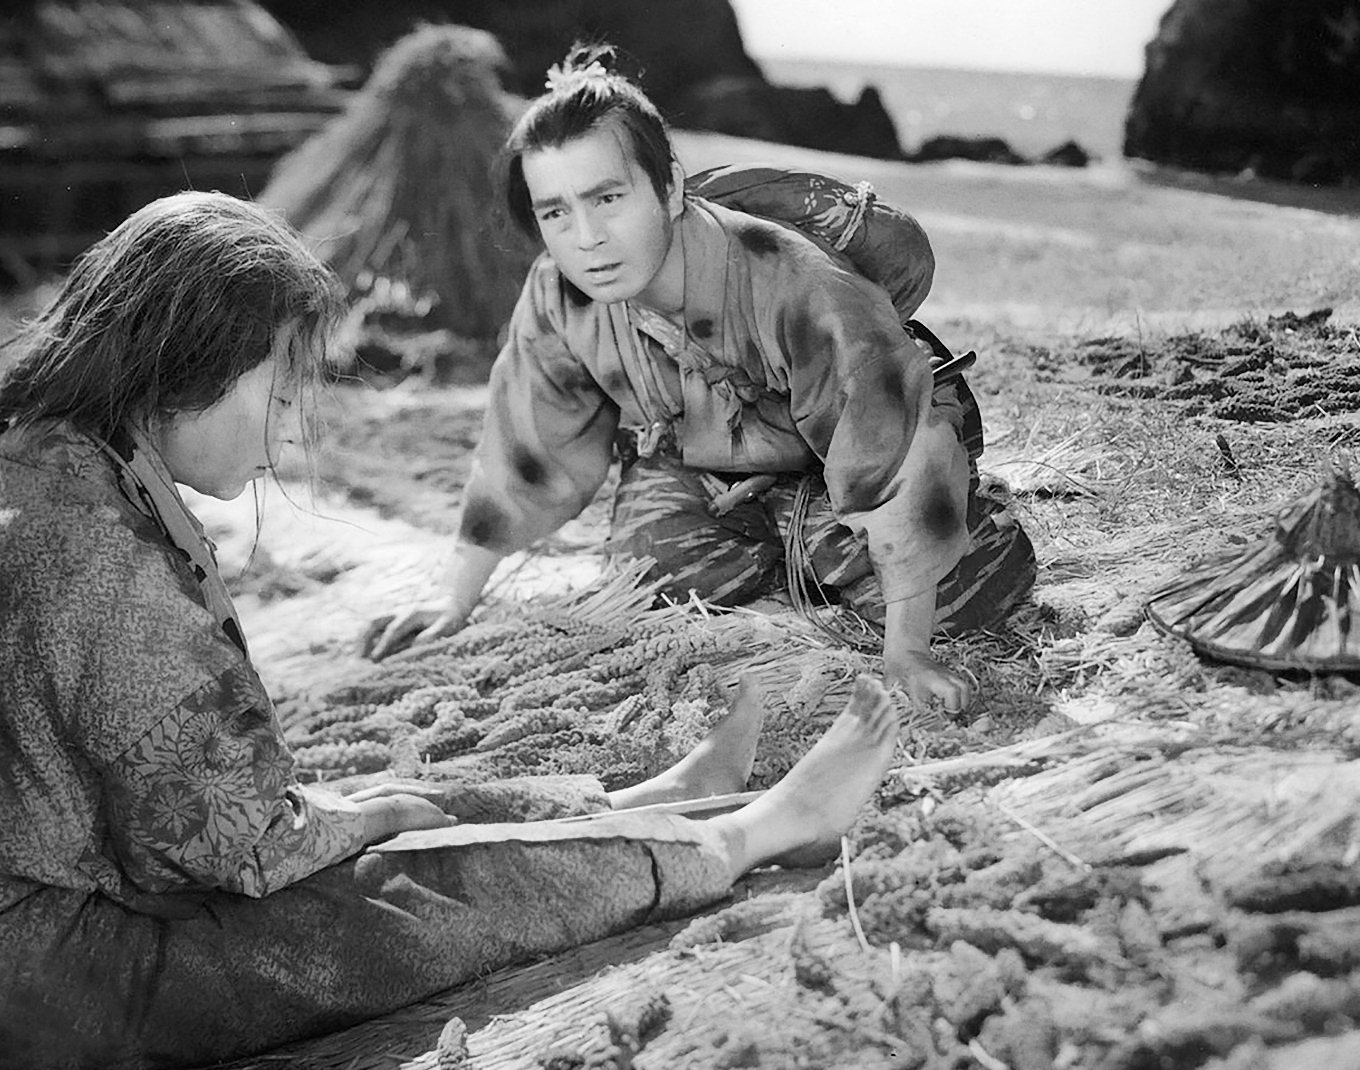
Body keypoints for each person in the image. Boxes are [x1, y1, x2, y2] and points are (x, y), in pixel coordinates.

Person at [0, 190, 903, 1070]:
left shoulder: (27, 458)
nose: (285, 434)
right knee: (400, 899)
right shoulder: (94, 557)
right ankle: (747, 835)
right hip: (2, 982)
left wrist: (369, 808)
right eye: (277, 392)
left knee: (372, 808)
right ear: (190, 369)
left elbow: (196, 801)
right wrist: (373, 818)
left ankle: (641, 799)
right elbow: (245, 850)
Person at [369, 47, 1036, 710]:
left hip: (853, 460)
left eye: (608, 198)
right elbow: (526, 451)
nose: (587, 237)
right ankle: (788, 549)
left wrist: (906, 652)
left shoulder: (793, 280)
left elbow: (890, 451)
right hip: (706, 468)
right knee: (650, 573)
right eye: (556, 212)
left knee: (955, 596)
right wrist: (453, 599)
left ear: (669, 189)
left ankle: (926, 525)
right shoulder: (558, 293)